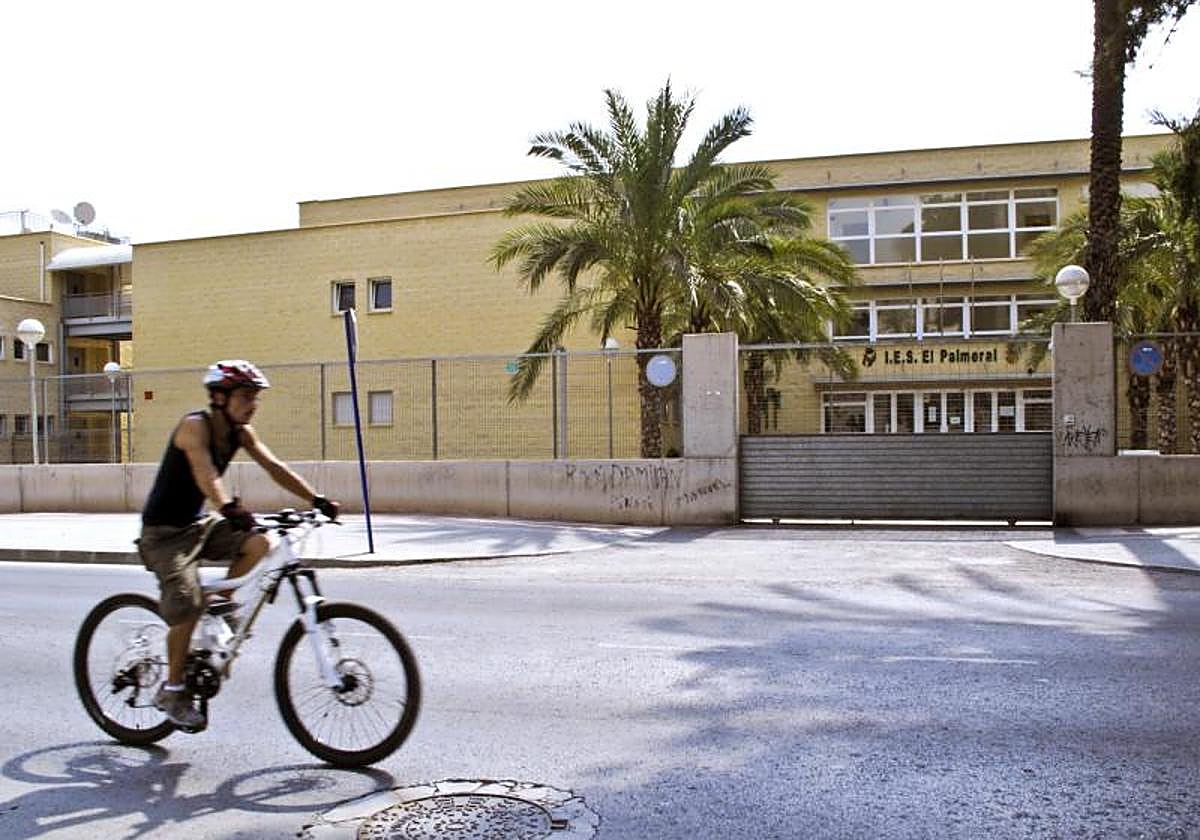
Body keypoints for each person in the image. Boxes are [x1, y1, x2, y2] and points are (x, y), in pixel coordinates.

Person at [137, 359, 340, 730]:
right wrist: (228, 506)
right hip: (164, 534)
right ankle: (173, 689)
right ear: (219, 397)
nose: (253, 404)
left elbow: (274, 467)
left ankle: (224, 609)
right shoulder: (193, 427)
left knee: (259, 542)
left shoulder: (241, 433)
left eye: (255, 397)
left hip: (199, 526)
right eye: (246, 396)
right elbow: (205, 474)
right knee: (187, 605)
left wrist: (316, 500)